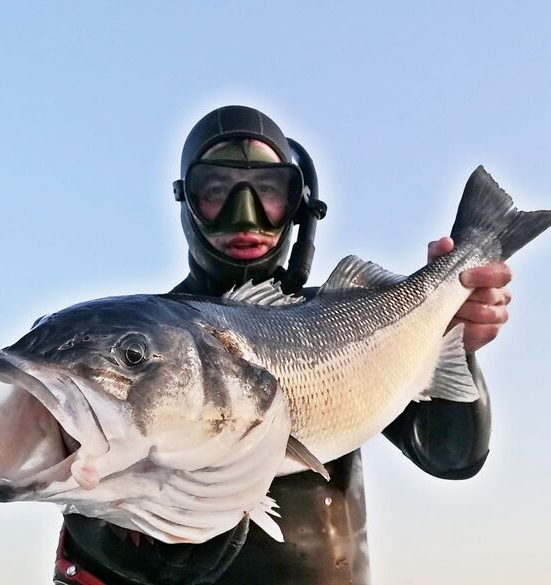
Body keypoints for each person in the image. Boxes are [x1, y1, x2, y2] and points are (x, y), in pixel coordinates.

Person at [53, 106, 512, 585]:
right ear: (187, 202)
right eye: (215, 192)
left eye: (268, 193)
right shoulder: (146, 342)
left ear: (296, 204)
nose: (244, 214)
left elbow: (452, 456)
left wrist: (454, 337)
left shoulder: (343, 318)